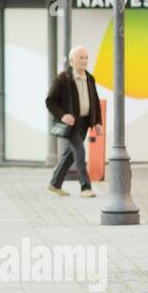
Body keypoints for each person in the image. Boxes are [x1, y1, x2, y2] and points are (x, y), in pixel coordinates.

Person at [45, 46, 102, 198]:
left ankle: (55, 184)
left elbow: (95, 101)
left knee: (70, 155)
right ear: (72, 61)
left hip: (84, 123)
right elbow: (50, 101)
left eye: (86, 57)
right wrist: (63, 115)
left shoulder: (90, 78)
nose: (84, 60)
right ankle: (85, 187)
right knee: (79, 152)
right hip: (71, 125)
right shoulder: (63, 79)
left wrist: (98, 122)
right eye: (80, 57)